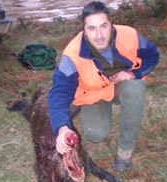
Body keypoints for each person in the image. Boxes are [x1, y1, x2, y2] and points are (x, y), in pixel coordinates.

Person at [48, 1, 159, 172]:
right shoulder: (72, 54)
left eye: (103, 26)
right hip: (94, 94)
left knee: (135, 88)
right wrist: (62, 127)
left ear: (111, 25)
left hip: (121, 84)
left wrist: (133, 74)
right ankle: (96, 111)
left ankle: (125, 152)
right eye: (92, 28)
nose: (99, 35)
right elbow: (59, 92)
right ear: (84, 30)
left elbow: (153, 55)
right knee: (95, 135)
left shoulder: (129, 35)